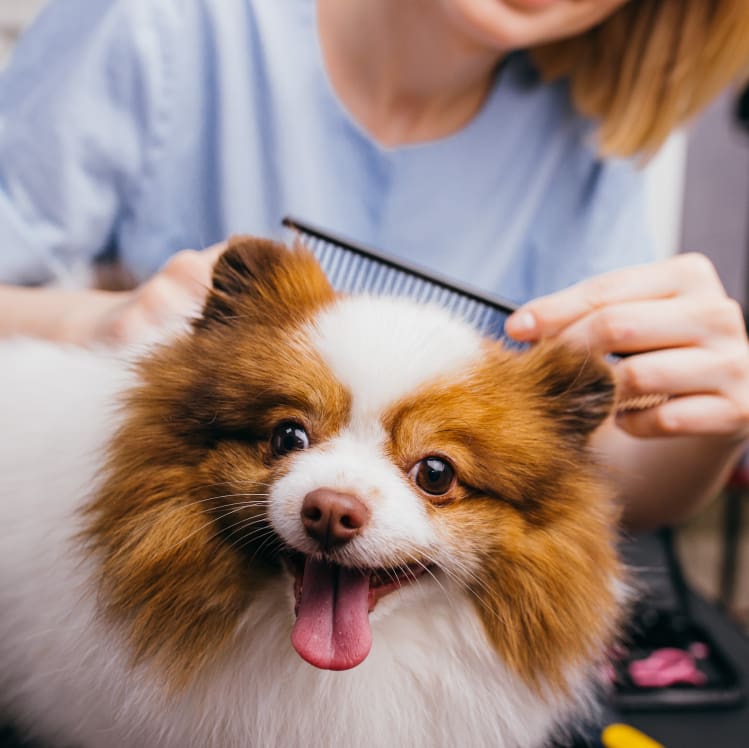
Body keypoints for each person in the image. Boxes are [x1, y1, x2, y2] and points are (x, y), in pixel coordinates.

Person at [0, 0, 748, 531]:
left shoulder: (587, 145)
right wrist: (97, 322)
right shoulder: (158, 23)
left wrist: (706, 423)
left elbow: (605, 488)